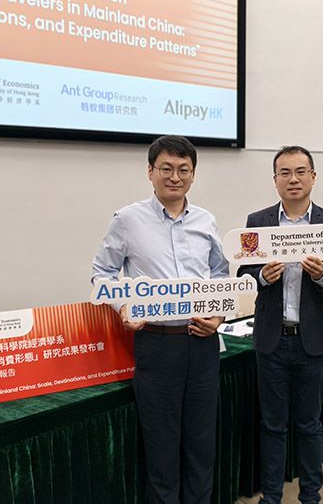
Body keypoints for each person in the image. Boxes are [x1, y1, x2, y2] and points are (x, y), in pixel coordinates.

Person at [91, 135, 229, 504]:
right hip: (157, 344)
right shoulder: (128, 220)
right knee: (162, 449)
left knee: (201, 445)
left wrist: (217, 313)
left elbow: (219, 273)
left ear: (193, 175)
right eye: (166, 168)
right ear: (150, 172)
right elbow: (102, 273)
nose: (175, 177)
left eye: (184, 169)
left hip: (203, 344)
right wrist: (123, 306)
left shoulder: (206, 220)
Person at [236, 146, 323, 504]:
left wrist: (322, 276)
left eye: (301, 171)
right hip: (272, 339)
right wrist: (262, 276)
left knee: (309, 424)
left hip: (311, 340)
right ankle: (271, 497)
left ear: (313, 177)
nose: (293, 179)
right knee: (272, 424)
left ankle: (310, 497)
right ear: (275, 180)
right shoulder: (258, 221)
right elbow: (243, 274)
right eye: (285, 173)